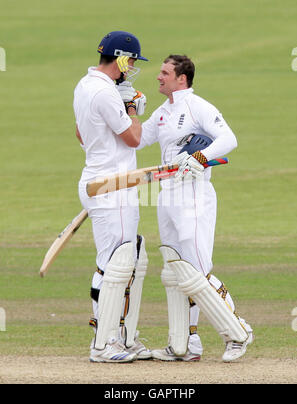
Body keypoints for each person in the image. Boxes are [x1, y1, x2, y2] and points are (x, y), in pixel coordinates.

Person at [136, 54, 253, 362]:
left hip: (194, 194)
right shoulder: (163, 112)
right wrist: (128, 108)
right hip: (167, 194)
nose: (158, 76)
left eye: (164, 72)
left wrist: (201, 158)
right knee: (176, 271)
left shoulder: (197, 106)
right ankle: (186, 344)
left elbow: (229, 139)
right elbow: (135, 140)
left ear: (181, 78)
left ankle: (238, 331)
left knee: (198, 273)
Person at [73, 31, 152, 363]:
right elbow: (134, 137)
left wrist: (121, 104)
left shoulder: (84, 85)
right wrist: (131, 106)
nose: (132, 67)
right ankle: (104, 344)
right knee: (116, 264)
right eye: (131, 60)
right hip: (111, 186)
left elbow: (80, 132)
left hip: (100, 180)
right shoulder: (105, 92)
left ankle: (120, 337)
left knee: (122, 260)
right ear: (121, 59)